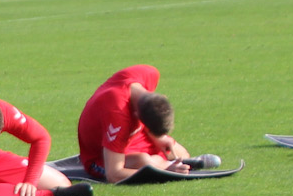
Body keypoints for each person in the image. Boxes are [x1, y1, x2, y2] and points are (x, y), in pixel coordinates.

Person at [74, 64, 212, 182]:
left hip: (131, 138)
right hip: (99, 156)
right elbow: (114, 174)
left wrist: (158, 138)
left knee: (180, 153)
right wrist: (164, 173)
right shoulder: (118, 114)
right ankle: (164, 165)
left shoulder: (149, 74)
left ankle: (166, 163)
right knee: (144, 161)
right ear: (136, 116)